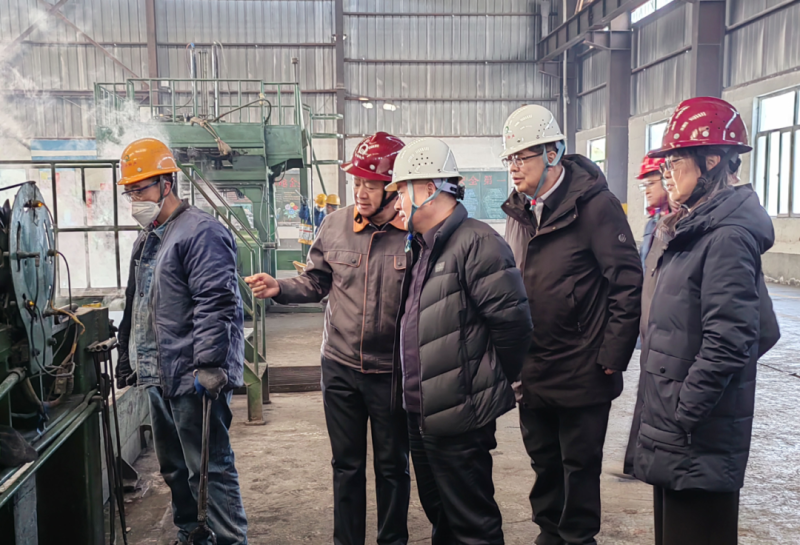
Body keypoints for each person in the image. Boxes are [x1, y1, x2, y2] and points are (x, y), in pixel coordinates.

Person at [245, 132, 411, 545]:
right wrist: (280, 288)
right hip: (340, 367)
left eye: (370, 185)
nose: (360, 192)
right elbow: (316, 281)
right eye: (356, 182)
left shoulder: (415, 232)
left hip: (391, 372)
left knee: (393, 467)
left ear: (393, 188)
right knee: (346, 465)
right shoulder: (335, 225)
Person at [632, 96, 780, 545]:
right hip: (677, 431)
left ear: (712, 160)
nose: (666, 173)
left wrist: (686, 408)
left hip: (697, 435)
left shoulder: (727, 237)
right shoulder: (691, 230)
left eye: (675, 161)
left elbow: (734, 337)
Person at [500, 105, 642, 545]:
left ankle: (578, 538)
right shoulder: (519, 213)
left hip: (583, 366)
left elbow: (627, 282)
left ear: (553, 153)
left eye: (522, 157)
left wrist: (613, 354)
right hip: (533, 364)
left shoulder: (596, 206)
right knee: (543, 461)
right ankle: (549, 533)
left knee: (579, 466)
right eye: (509, 159)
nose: (514, 167)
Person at [387, 137, 533, 545]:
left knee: (472, 524)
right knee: (442, 518)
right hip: (423, 411)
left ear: (429, 188)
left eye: (401, 192)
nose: (397, 204)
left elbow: (514, 328)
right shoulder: (424, 246)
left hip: (460, 414)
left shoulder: (477, 243)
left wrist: (477, 387)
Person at [114, 138, 248, 545]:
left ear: (166, 184)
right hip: (158, 372)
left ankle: (229, 539)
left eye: (140, 190)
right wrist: (127, 354)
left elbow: (217, 300)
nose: (135, 200)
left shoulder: (200, 232)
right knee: (174, 467)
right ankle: (191, 533)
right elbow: (137, 300)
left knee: (208, 468)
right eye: (129, 192)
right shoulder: (149, 236)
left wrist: (208, 364)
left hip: (192, 375)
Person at [637, 156, 670, 269]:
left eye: (650, 184)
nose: (646, 192)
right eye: (644, 186)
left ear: (666, 181)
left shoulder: (679, 224)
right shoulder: (651, 225)